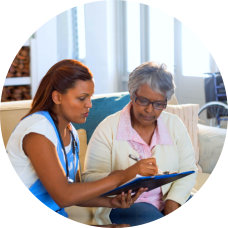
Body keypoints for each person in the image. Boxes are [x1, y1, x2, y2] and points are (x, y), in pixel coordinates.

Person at [6, 59, 159, 227]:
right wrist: (123, 175)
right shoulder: (37, 132)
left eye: (90, 97)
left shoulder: (70, 132)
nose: (89, 105)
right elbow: (64, 195)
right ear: (57, 97)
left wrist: (110, 202)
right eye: (81, 98)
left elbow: (76, 190)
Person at [83, 62, 197, 226]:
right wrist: (128, 173)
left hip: (170, 200)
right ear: (132, 94)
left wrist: (173, 202)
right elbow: (89, 180)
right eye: (143, 101)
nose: (150, 110)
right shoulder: (108, 128)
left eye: (159, 104)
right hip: (125, 205)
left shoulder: (175, 124)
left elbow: (189, 170)